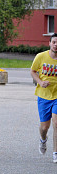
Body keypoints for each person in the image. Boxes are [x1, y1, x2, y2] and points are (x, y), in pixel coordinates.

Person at [31, 33, 57, 163]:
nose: (56, 45)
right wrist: (40, 82)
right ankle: (43, 139)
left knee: (56, 123)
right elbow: (33, 71)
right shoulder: (41, 57)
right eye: (54, 42)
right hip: (44, 96)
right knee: (44, 127)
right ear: (50, 43)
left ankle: (55, 152)